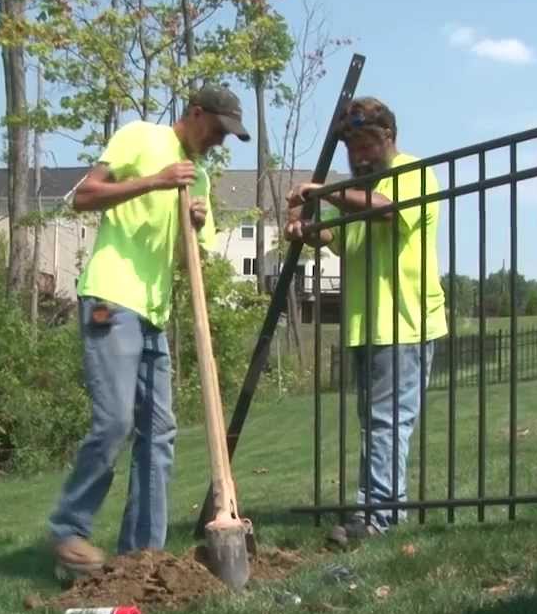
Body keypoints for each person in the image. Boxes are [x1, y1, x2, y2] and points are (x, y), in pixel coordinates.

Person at [47, 84, 251, 575]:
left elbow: (188, 264)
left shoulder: (198, 176)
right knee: (115, 422)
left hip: (155, 313)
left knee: (159, 435)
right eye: (218, 131)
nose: (220, 143)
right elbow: (85, 196)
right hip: (111, 300)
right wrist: (155, 182)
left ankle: (141, 557)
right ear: (196, 113)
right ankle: (68, 532)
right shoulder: (141, 137)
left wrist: (196, 226)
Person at [285, 96, 447, 548]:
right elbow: (337, 237)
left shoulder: (412, 172)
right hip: (365, 324)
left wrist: (321, 192)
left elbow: (385, 209)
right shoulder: (353, 193)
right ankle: (375, 505)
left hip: (404, 323)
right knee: (375, 422)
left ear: (389, 138)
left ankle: (378, 513)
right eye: (350, 146)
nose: (357, 155)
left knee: (387, 422)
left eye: (366, 143)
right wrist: (306, 229)